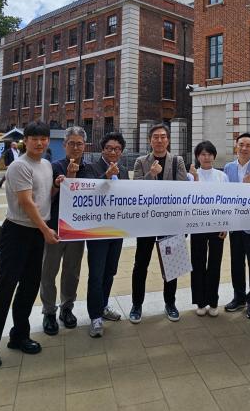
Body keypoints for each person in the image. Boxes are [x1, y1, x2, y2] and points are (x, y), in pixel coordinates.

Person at [0, 121, 57, 370]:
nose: (40, 143)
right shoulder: (20, 166)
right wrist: (46, 230)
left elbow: (44, 198)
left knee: (29, 286)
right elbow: (26, 202)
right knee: (5, 287)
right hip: (17, 232)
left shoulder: (46, 165)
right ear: (26, 141)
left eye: (43, 138)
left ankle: (19, 335)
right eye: (34, 138)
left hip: (36, 234)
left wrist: (57, 185)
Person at [130, 123, 187, 324]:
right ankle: (136, 305)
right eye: (156, 137)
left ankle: (170, 303)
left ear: (168, 140)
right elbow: (135, 189)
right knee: (141, 264)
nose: (160, 140)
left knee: (172, 264)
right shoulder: (140, 161)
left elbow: (182, 189)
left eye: (163, 137)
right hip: (147, 221)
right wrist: (151, 174)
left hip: (170, 221)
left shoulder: (177, 161)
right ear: (150, 140)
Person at [40, 126, 93, 336]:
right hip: (55, 228)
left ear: (85, 146)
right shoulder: (53, 167)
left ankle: (67, 308)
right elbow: (46, 197)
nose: (76, 147)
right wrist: (61, 182)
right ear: (64, 145)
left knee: (72, 271)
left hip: (77, 230)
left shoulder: (89, 169)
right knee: (48, 271)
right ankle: (48, 311)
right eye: (71, 143)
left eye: (79, 143)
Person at [87, 132, 128, 337]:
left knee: (110, 271)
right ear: (102, 149)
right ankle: (95, 316)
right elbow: (88, 194)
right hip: (97, 230)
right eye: (109, 148)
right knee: (96, 273)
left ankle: (103, 305)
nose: (113, 152)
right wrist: (106, 176)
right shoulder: (91, 168)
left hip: (116, 228)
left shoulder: (123, 170)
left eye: (117, 149)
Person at [223, 132, 250, 320]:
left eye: (248, 145)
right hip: (235, 224)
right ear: (236, 147)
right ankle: (239, 297)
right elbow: (224, 195)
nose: (244, 148)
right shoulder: (228, 167)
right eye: (241, 144)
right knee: (236, 262)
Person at [188, 140, 229, 317]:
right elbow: (190, 199)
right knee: (197, 263)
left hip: (217, 225)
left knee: (214, 263)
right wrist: (196, 179)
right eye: (203, 154)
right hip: (197, 225)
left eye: (209, 154)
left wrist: (226, 225)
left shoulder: (221, 176)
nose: (206, 157)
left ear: (214, 156)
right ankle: (200, 301)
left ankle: (213, 301)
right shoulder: (190, 176)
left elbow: (227, 201)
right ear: (197, 157)